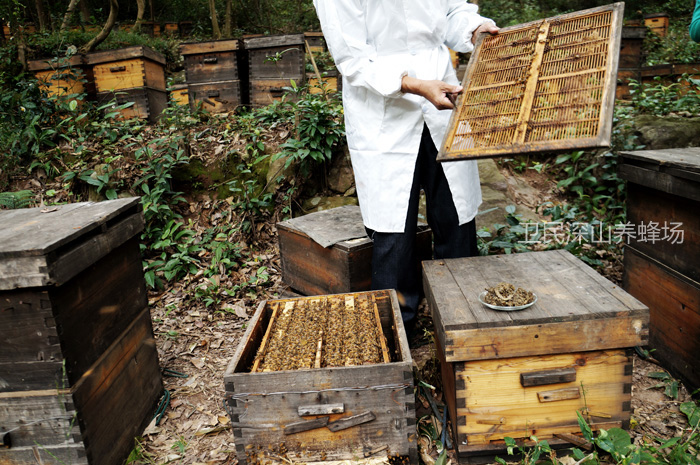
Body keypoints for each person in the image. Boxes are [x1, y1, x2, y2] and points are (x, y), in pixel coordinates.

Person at [312, 1, 499, 332]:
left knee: (456, 217)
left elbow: (453, 11)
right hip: (385, 114)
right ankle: (396, 336)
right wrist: (414, 84)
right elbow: (352, 59)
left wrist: (474, 27)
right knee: (394, 232)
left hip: (443, 102)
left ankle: (463, 324)